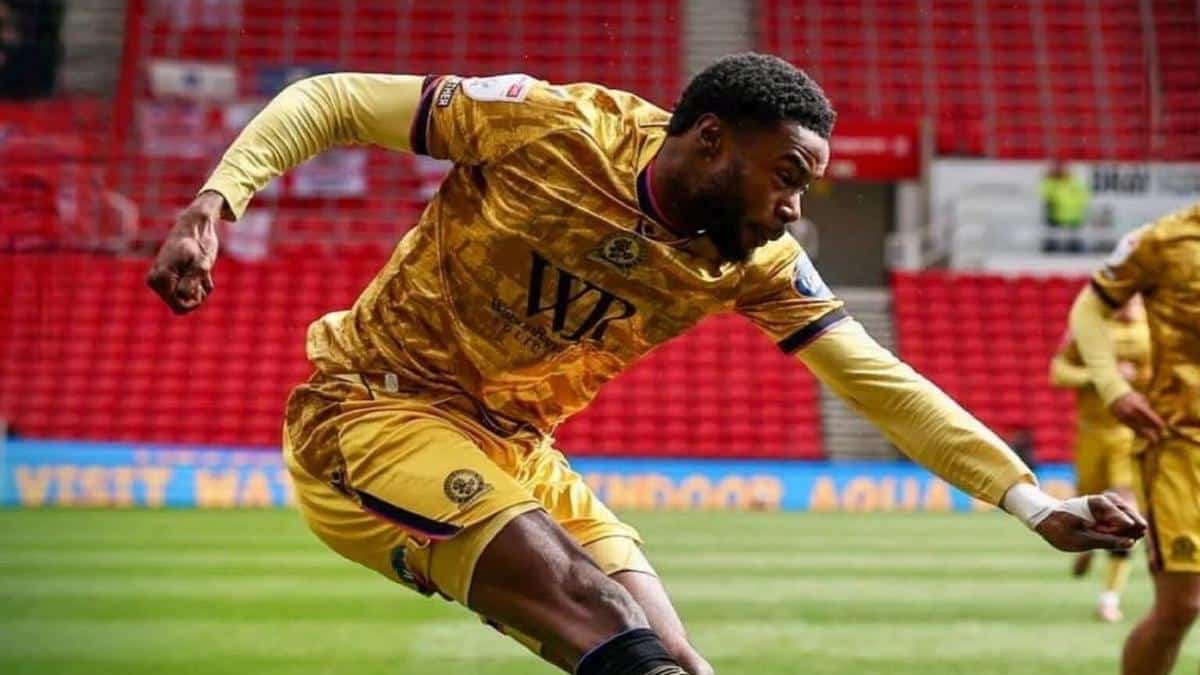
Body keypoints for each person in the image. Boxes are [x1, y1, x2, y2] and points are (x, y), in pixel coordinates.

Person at [148, 53, 1145, 675]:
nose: (795, 209)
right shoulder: (550, 128)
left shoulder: (756, 260)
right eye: (787, 177)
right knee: (602, 616)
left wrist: (1032, 502)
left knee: (672, 661)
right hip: (370, 413)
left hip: (515, 451)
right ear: (711, 140)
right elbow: (331, 100)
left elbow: (881, 384)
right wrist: (214, 204)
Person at [1068, 203, 1200, 675]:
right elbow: (1090, 307)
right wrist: (1111, 386)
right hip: (1180, 446)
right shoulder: (1163, 240)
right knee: (1183, 605)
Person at [1051, 294, 1151, 622]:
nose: (1130, 304)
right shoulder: (1088, 329)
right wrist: (1099, 376)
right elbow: (1058, 371)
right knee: (1089, 505)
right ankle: (1088, 547)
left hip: (1130, 434)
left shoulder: (1153, 332)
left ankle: (1108, 598)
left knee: (1125, 507)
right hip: (1092, 433)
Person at [1041, 160, 1091, 253]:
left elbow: (1083, 197)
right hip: (1055, 217)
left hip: (1073, 217)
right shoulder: (1050, 182)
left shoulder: (1074, 182)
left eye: (1062, 169)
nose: (1061, 171)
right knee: (1052, 244)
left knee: (1074, 245)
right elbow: (1043, 195)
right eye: (1058, 169)